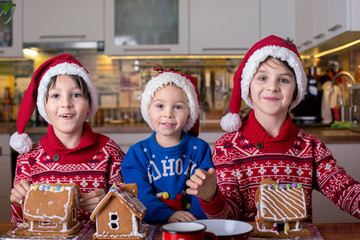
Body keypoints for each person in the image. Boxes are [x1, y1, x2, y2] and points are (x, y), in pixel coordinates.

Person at [186, 35, 360, 221]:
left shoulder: (312, 148)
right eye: (262, 78)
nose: (272, 87)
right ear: (248, 87)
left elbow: (345, 191)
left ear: (296, 90)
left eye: (283, 80)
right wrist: (211, 196)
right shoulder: (227, 148)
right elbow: (228, 218)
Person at [9, 54, 124, 225]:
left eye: (76, 95)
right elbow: (19, 224)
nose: (66, 103)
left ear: (89, 104)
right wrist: (18, 202)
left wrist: (108, 205)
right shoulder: (28, 159)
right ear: (43, 106)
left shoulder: (110, 152)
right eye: (55, 96)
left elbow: (127, 215)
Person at [121, 68, 213, 223]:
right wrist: (167, 216)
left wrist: (194, 221)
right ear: (147, 110)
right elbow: (139, 194)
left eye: (177, 107)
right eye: (159, 106)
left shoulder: (200, 149)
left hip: (194, 226)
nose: (168, 114)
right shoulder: (137, 154)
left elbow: (203, 190)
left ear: (190, 112)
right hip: (152, 227)